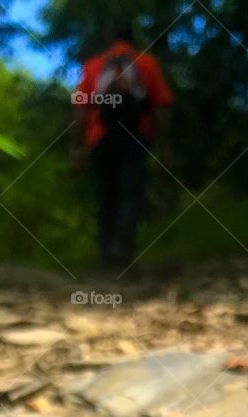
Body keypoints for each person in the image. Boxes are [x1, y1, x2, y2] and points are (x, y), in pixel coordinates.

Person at [73, 20, 173, 272]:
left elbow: (80, 110)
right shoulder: (148, 63)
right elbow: (161, 106)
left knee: (105, 195)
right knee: (131, 193)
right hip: (136, 135)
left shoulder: (92, 66)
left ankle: (106, 256)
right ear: (132, 37)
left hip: (100, 137)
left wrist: (79, 147)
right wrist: (164, 147)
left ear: (110, 36)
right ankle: (123, 247)